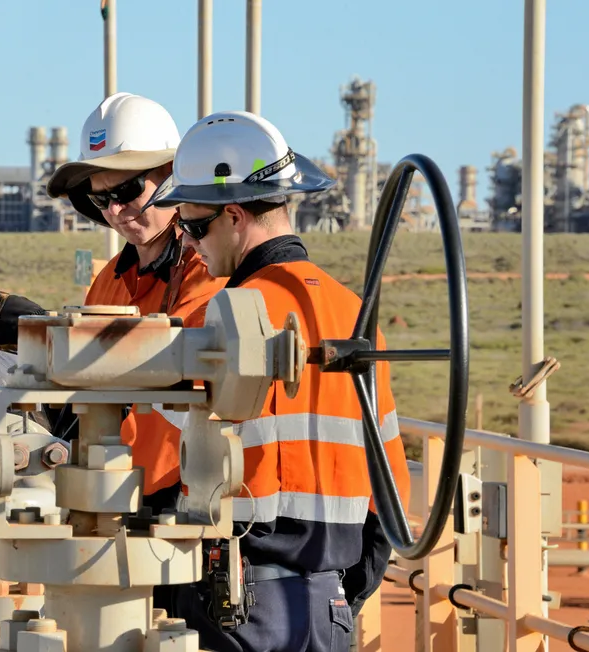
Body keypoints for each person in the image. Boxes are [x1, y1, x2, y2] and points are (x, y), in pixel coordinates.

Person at [143, 110, 411, 652]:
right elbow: (390, 496)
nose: (190, 244)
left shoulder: (217, 320)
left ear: (235, 215)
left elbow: (152, 474)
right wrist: (340, 596)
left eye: (194, 226)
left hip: (234, 606)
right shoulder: (356, 316)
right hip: (328, 609)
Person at [0, 92, 227, 519]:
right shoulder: (111, 280)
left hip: (187, 495)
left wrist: (51, 335)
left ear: (172, 175)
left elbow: (178, 358)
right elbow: (86, 397)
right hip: (111, 486)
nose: (116, 211)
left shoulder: (208, 267)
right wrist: (9, 392)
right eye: (101, 200)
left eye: (128, 190)